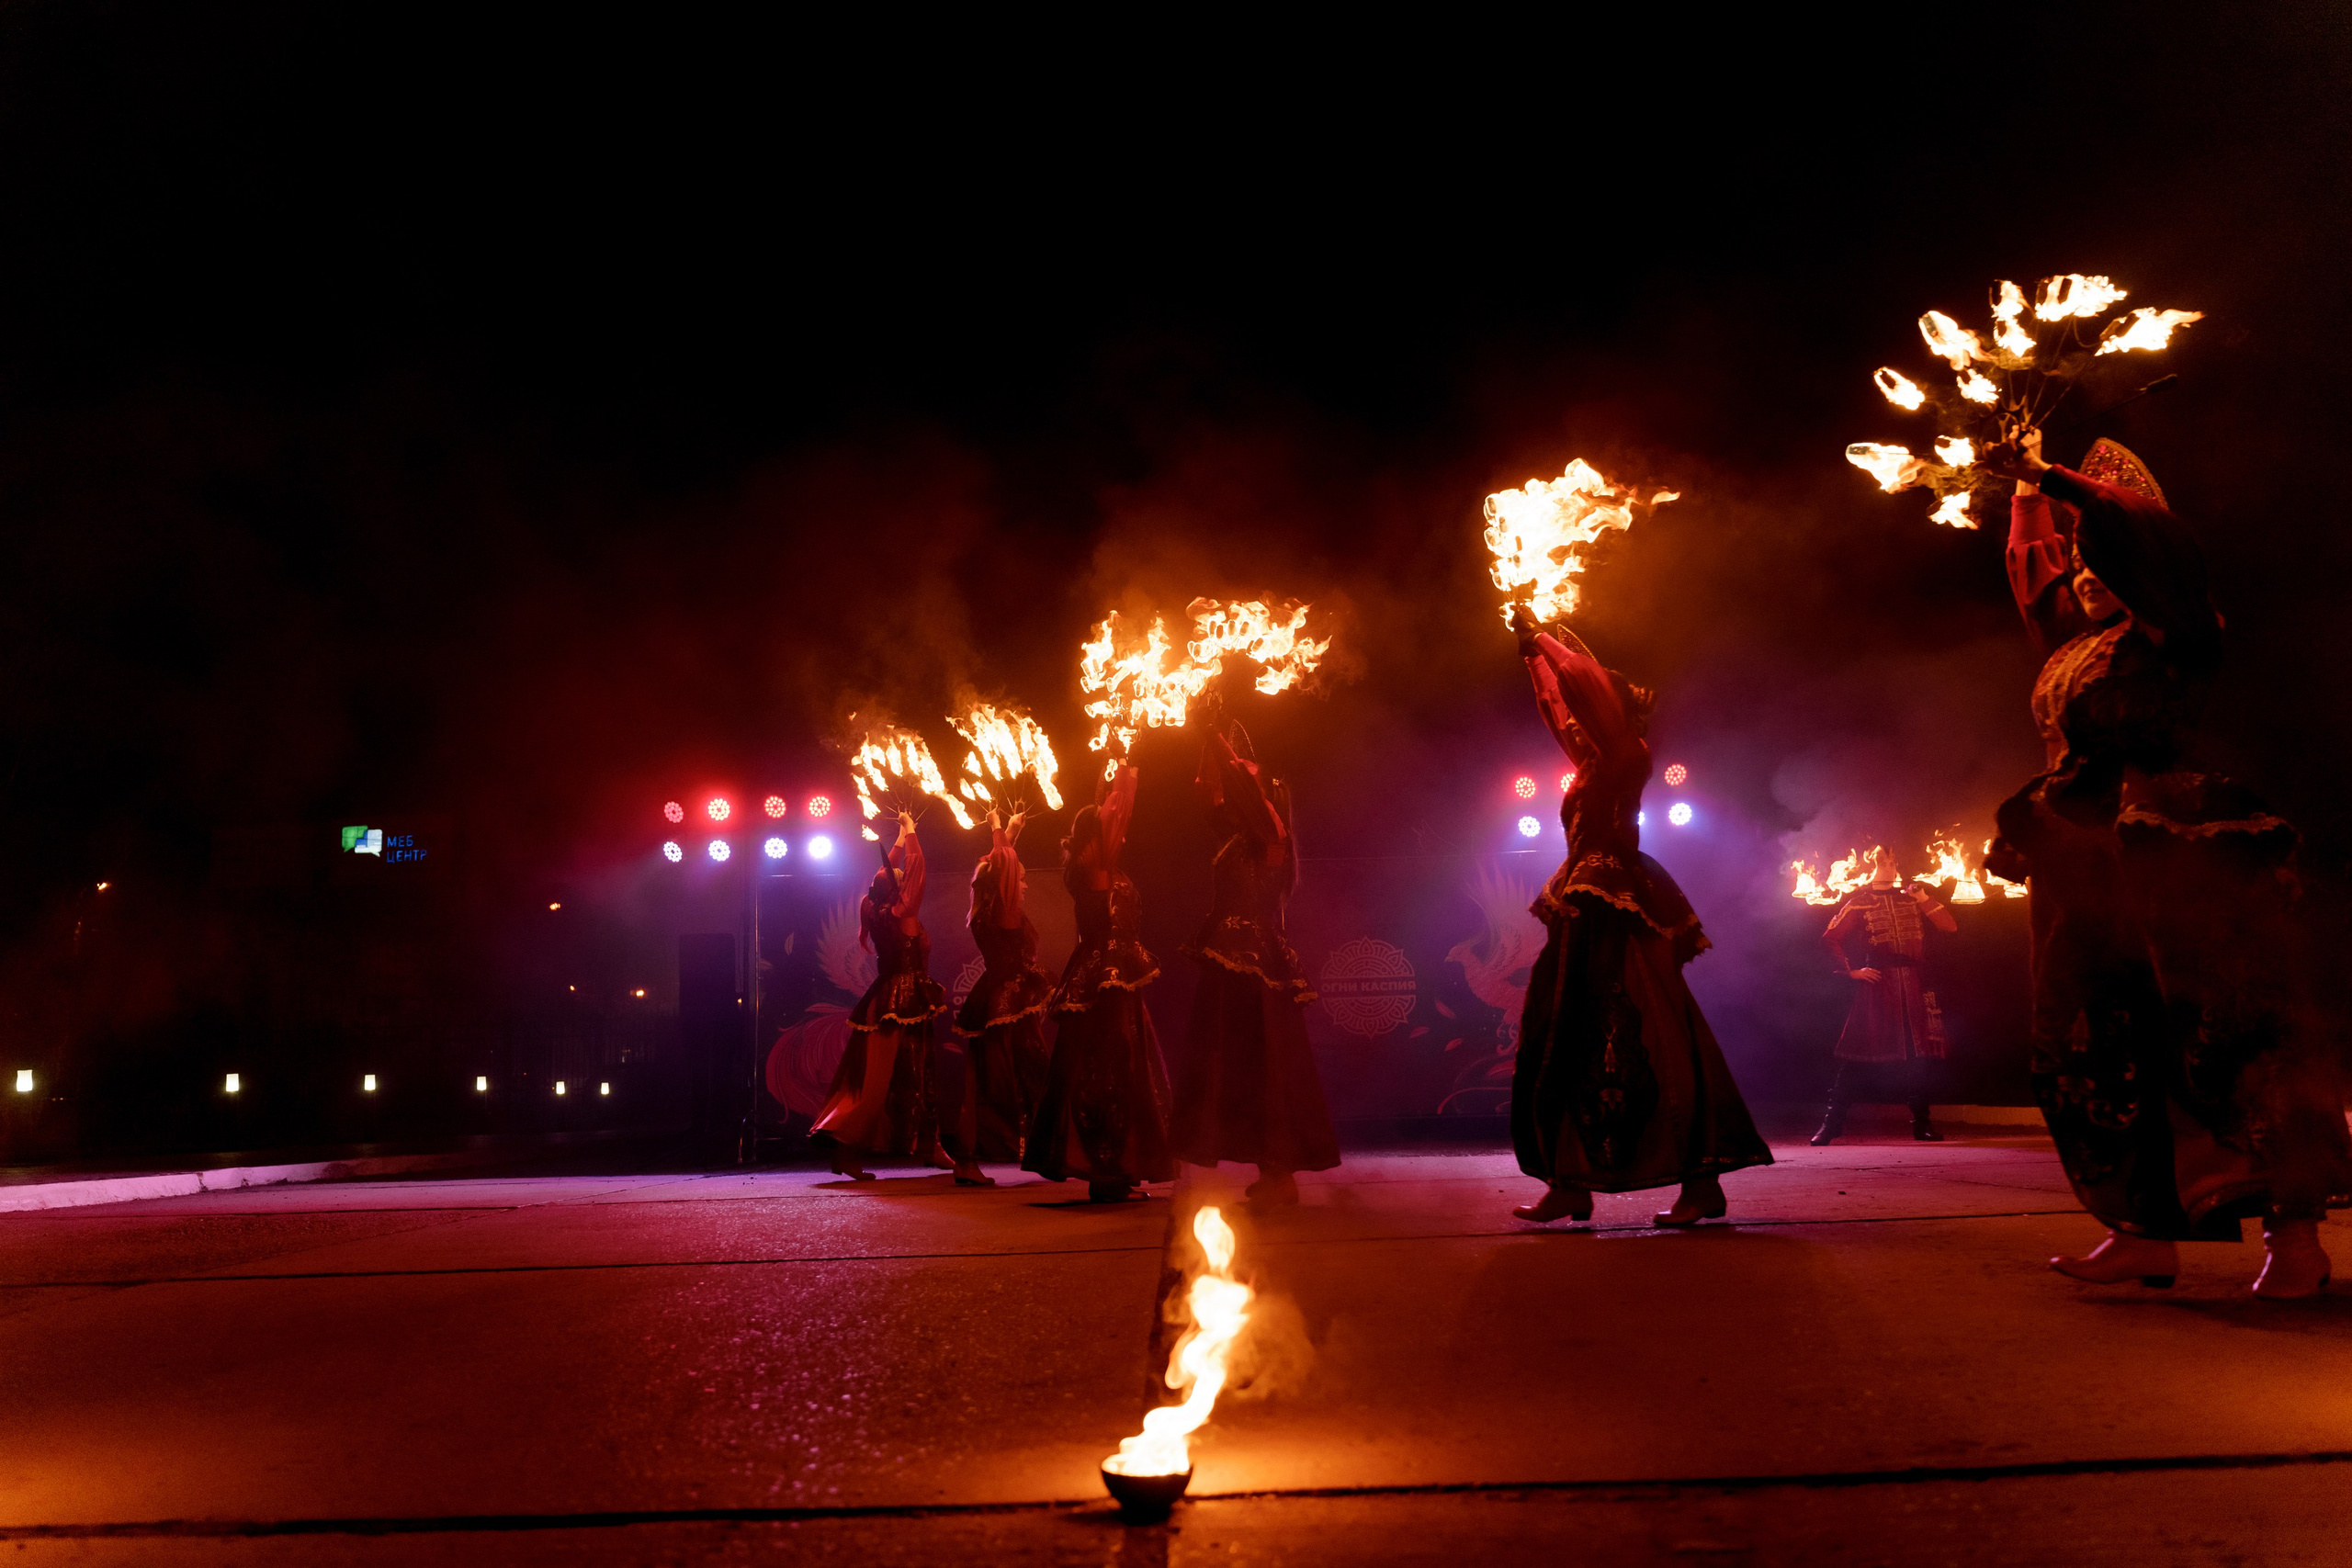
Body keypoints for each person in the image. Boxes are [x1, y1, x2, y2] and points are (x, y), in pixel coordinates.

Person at [1981, 429, 2352, 1298]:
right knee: (2099, 1045)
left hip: (2187, 862)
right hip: (2090, 869)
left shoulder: (2177, 629)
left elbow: (2146, 540)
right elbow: (2032, 570)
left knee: (2234, 1039)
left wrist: (2057, 477)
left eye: (2104, 553)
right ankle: (2144, 1228)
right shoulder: (2075, 648)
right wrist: (2025, 494)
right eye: (2079, 558)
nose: (2084, 568)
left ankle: (2292, 1238)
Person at [1505, 607, 1773, 1226]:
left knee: (1654, 1040)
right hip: (1584, 910)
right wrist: (1531, 653)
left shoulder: (1629, 751)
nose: (1576, 717)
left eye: (1592, 702)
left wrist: (1547, 633)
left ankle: (1700, 1184)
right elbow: (1557, 701)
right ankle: (1569, 1182)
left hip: (1620, 909)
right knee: (1562, 1041)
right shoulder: (1595, 758)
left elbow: (1582, 684)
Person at [1170, 722, 1340, 1207]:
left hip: (1258, 968)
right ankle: (1273, 1173)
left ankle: (1281, 1172)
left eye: (1246, 773)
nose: (1235, 774)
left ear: (1260, 789)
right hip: (1234, 966)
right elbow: (1210, 789)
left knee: (1267, 1068)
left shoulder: (1270, 827)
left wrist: (1221, 742)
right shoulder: (1236, 833)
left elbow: (1239, 784)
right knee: (1242, 1068)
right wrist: (1208, 735)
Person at [1023, 762, 1179, 1201]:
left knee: (1123, 1071)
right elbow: (1117, 813)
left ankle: (1118, 1168)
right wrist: (1127, 769)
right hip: (1102, 983)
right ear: (1098, 835)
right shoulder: (1096, 869)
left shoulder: (1101, 865)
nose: (1122, 828)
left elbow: (1112, 816)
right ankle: (1106, 1169)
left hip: (1115, 980)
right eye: (1112, 824)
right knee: (1108, 1073)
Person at [810, 810, 984, 1183]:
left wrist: (900, 840)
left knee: (919, 1076)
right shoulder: (903, 912)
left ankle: (930, 1145)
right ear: (897, 890)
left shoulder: (873, 907)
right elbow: (917, 870)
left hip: (894, 1000)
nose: (900, 878)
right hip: (900, 1001)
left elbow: (886, 874)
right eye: (899, 880)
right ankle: (848, 1147)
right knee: (878, 1080)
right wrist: (914, 834)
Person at [1811, 845, 1959, 1145]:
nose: (1889, 868)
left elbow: (1949, 926)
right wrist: (1850, 971)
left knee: (1918, 1056)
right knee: (1855, 1057)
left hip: (1914, 984)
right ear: (1869, 867)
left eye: (1892, 862)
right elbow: (1830, 939)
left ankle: (1922, 1124)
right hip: (1879, 986)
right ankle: (1832, 1123)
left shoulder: (1912, 898)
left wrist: (1923, 897)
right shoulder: (1860, 902)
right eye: (1882, 863)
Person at [950, 809, 1054, 1177]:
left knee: (992, 1082)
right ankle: (1048, 1151)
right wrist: (997, 826)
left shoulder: (987, 907)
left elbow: (1000, 867)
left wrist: (1011, 830)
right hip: (1009, 1005)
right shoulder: (1004, 911)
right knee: (1020, 1081)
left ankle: (970, 1159)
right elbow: (1005, 866)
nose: (1024, 886)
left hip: (1000, 1001)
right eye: (1021, 879)